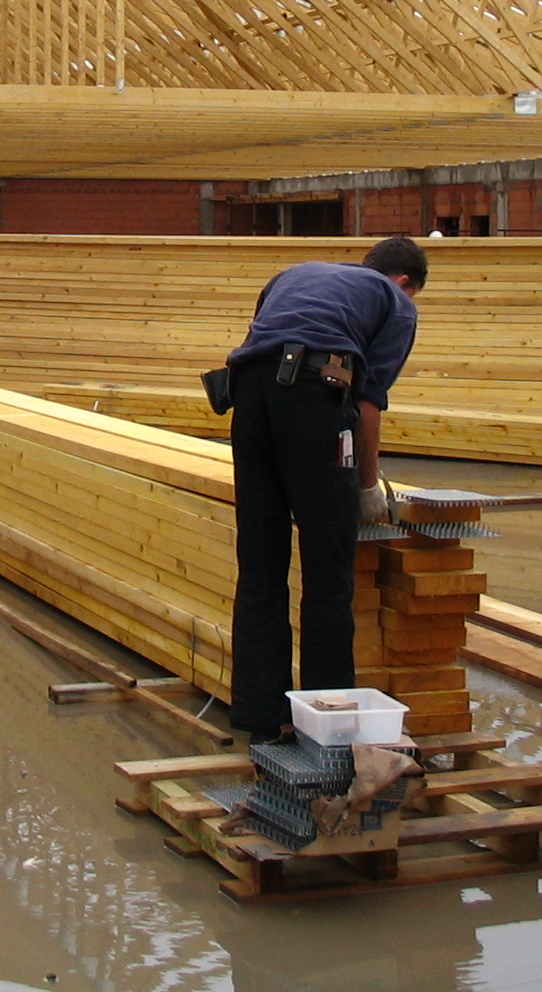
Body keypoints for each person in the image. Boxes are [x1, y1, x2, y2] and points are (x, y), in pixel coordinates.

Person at [223, 235, 426, 740]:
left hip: (247, 394)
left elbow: (262, 347)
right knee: (327, 565)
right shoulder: (396, 302)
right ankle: (326, 721)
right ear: (404, 281)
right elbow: (368, 404)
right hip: (316, 394)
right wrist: (365, 487)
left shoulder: (295, 276)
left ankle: (259, 715)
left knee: (261, 558)